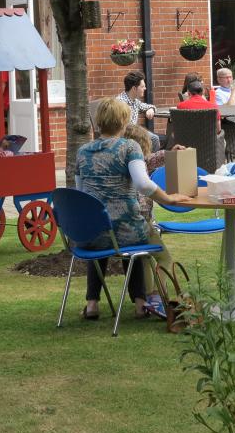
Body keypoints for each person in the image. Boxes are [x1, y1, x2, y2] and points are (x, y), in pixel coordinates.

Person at [75, 99, 186, 321]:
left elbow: (81, 192)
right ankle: (140, 304)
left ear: (99, 122)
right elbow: (143, 185)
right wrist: (169, 199)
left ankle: (92, 304)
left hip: (90, 233)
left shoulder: (82, 151)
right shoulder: (129, 147)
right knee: (133, 239)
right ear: (124, 121)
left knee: (105, 234)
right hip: (126, 230)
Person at [121, 123, 177, 310]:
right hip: (141, 221)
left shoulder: (122, 163)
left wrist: (170, 152)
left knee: (144, 257)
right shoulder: (139, 165)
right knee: (164, 258)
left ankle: (147, 295)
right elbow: (154, 159)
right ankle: (157, 295)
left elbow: (155, 158)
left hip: (124, 223)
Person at [176, 80, 226, 157]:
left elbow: (179, 126)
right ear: (202, 93)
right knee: (223, 142)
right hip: (208, 144)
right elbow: (218, 129)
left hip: (186, 143)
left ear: (188, 93)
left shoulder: (181, 106)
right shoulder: (213, 106)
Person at [116, 70, 162, 152]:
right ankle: (150, 163)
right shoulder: (120, 103)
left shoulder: (134, 101)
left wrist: (151, 109)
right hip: (124, 136)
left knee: (159, 139)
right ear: (134, 88)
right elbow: (122, 129)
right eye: (142, 86)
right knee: (154, 139)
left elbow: (150, 106)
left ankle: (146, 161)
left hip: (134, 133)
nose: (145, 88)